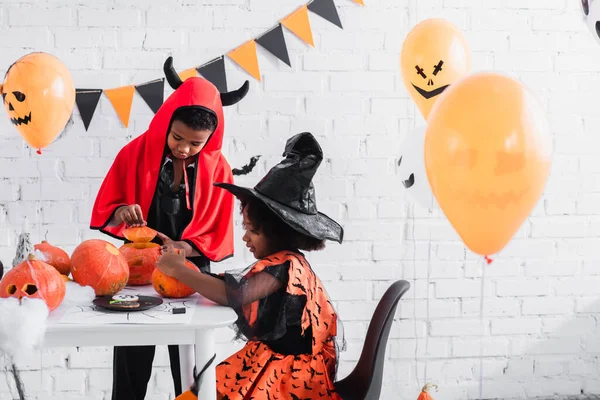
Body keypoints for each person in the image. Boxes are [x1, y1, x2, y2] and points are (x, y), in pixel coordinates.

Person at [89, 56, 249, 400]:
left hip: (191, 273)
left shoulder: (219, 169)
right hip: (138, 270)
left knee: (191, 365)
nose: (184, 148)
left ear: (211, 138)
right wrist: (122, 210)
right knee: (132, 359)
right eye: (178, 137)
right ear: (166, 122)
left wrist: (182, 250)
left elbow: (216, 231)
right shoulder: (133, 154)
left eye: (196, 143)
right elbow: (108, 212)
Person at [156, 132, 346, 400]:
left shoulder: (286, 268)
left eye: (253, 231)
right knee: (203, 391)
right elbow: (232, 286)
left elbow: (234, 294)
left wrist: (179, 270)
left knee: (209, 393)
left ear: (278, 232)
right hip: (271, 358)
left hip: (291, 377)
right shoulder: (285, 261)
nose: (245, 238)